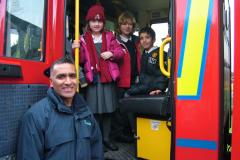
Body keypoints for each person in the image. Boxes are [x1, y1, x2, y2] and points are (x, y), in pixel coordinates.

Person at [17, 56, 103, 160]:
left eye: (72, 76)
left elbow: (96, 152)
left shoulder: (86, 112)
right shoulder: (35, 117)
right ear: (51, 82)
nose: (68, 82)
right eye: (61, 77)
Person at [73, 4, 124, 151]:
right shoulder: (82, 39)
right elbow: (81, 60)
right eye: (93, 21)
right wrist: (75, 48)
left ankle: (107, 139)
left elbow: (120, 52)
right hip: (93, 80)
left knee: (109, 110)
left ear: (104, 23)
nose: (96, 24)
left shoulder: (110, 36)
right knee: (94, 112)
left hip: (107, 79)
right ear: (88, 22)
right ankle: (97, 141)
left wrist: (111, 54)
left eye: (100, 21)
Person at [111, 11, 141, 143]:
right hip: (120, 80)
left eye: (130, 24)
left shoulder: (136, 41)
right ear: (119, 26)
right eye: (124, 24)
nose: (127, 27)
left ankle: (131, 133)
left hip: (135, 80)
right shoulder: (114, 41)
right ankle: (119, 134)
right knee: (120, 110)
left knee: (133, 108)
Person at [125, 26, 168, 96]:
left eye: (147, 37)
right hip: (144, 85)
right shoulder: (144, 54)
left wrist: (160, 88)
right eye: (141, 38)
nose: (144, 40)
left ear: (153, 40)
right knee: (126, 91)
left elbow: (164, 74)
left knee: (127, 93)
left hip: (154, 87)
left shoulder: (160, 53)